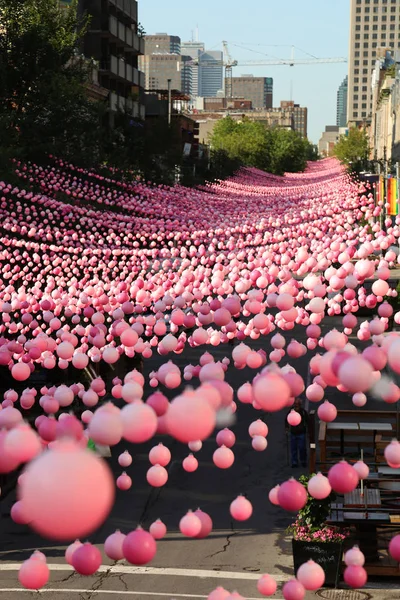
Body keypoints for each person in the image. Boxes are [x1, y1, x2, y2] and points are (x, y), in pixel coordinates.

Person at [285, 398, 308, 468]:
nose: (296, 406)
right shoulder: (290, 412)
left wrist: (308, 430)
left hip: (301, 433)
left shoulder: (303, 412)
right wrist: (286, 428)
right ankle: (294, 462)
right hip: (293, 433)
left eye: (297, 405)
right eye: (295, 405)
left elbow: (307, 421)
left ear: (300, 405)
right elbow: (286, 420)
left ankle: (303, 461)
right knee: (293, 449)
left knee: (302, 448)